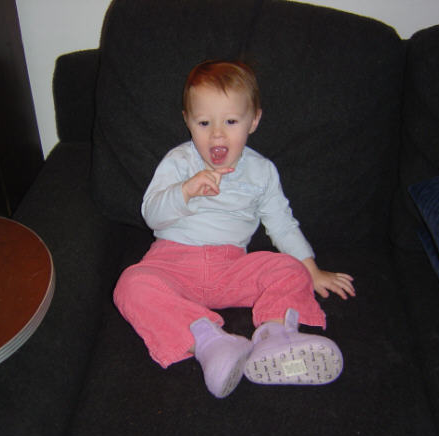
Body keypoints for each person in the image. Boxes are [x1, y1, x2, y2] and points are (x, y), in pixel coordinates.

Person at [114, 60, 355, 398]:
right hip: (172, 264)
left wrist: (311, 270)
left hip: (231, 268)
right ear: (187, 121)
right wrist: (185, 191)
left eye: (230, 121)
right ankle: (211, 343)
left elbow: (282, 223)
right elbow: (151, 215)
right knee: (130, 285)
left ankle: (276, 337)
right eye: (204, 122)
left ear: (253, 120)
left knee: (289, 269)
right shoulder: (179, 162)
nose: (217, 134)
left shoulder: (262, 172)